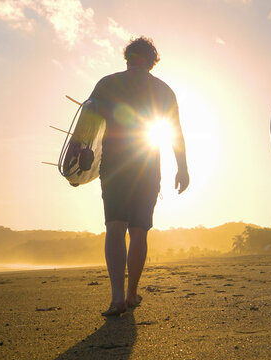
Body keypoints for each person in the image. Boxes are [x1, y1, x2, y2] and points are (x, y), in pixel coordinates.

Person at [88, 37, 189, 315]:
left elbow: (85, 125)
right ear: (152, 60)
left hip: (115, 165)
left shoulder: (107, 83)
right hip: (147, 163)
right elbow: (175, 133)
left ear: (128, 57)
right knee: (139, 231)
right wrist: (183, 167)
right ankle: (132, 293)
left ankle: (117, 297)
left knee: (115, 227)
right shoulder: (163, 90)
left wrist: (77, 166)